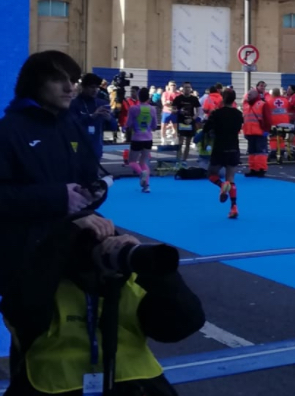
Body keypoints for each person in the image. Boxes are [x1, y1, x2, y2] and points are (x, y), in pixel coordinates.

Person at [1, 214, 204, 396]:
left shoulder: (132, 282)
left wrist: (154, 270)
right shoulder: (44, 283)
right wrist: (65, 236)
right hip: (52, 384)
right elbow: (22, 313)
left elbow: (182, 325)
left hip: (134, 381)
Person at [0, 51, 103, 298]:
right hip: (26, 259)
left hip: (74, 250)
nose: (70, 88)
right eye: (58, 80)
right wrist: (58, 197)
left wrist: (95, 191)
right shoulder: (8, 131)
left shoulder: (71, 125)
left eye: (73, 80)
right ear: (35, 83)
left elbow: (87, 178)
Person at [201, 88, 243, 220]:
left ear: (222, 99)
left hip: (219, 147)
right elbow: (238, 128)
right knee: (231, 178)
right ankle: (234, 207)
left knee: (211, 174)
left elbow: (206, 128)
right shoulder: (238, 114)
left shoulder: (216, 113)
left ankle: (221, 185)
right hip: (233, 147)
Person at [70, 73, 115, 161]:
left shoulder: (102, 103)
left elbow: (114, 126)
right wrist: (91, 116)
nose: (95, 90)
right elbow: (71, 124)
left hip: (96, 148)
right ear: (83, 87)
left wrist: (109, 119)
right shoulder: (74, 104)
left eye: (97, 87)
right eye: (92, 87)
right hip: (78, 148)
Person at [124, 88, 159, 194]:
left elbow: (129, 124)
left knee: (132, 161)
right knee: (143, 162)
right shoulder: (152, 109)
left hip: (137, 138)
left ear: (139, 97)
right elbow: (154, 126)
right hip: (148, 138)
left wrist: (125, 128)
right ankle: (146, 186)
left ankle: (141, 173)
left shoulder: (134, 108)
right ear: (148, 97)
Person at [169, 83, 201, 165]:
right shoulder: (178, 98)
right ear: (182, 88)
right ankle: (178, 159)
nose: (187, 89)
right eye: (185, 87)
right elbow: (173, 110)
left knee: (188, 143)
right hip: (181, 122)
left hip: (190, 122)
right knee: (180, 142)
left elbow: (198, 111)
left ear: (191, 89)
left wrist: (192, 119)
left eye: (189, 87)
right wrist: (179, 111)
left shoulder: (194, 99)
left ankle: (184, 160)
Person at [241, 89, 269, 177]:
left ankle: (260, 169)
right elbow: (245, 120)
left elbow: (267, 118)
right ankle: (253, 168)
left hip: (259, 132)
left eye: (250, 94)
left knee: (260, 152)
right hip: (250, 132)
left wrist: (266, 130)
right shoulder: (246, 105)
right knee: (252, 152)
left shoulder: (262, 104)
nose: (248, 96)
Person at [266, 88, 291, 161]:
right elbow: (288, 108)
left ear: (272, 94)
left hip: (274, 123)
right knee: (282, 137)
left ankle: (273, 150)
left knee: (273, 137)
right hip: (285, 123)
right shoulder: (285, 100)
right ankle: (282, 150)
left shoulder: (269, 101)